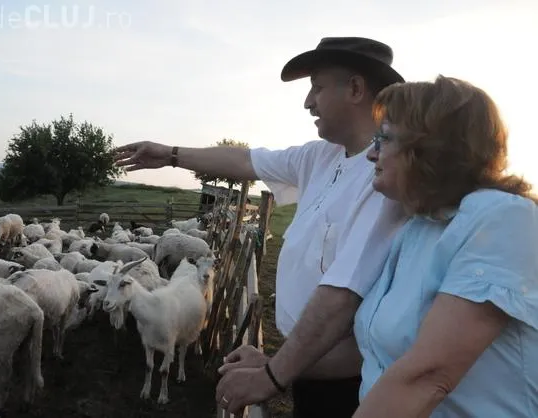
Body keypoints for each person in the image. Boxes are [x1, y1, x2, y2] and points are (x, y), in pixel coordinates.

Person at [114, 37, 407, 417]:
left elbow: (343, 296)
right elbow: (245, 161)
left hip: (352, 384)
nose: (308, 102)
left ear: (355, 89)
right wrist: (171, 155)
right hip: (310, 362)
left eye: (317, 87)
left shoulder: (386, 178)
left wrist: (272, 373)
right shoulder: (321, 156)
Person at [350, 75, 538, 417]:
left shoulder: (502, 216)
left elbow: (429, 375)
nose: (371, 153)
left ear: (431, 147)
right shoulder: (418, 226)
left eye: (384, 138)